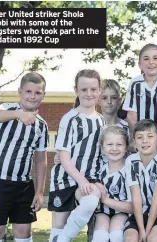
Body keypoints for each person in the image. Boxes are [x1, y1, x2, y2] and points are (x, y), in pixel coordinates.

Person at [0, 72, 48, 242]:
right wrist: (19, 114)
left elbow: (41, 160)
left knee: (24, 232)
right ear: (20, 91)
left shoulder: (42, 125)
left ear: (43, 95)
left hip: (24, 185)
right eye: (28, 91)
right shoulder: (7, 109)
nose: (32, 96)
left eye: (37, 93)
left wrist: (40, 192)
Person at [47, 70, 105, 242]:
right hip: (64, 178)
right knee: (59, 224)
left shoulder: (101, 121)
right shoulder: (69, 119)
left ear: (99, 91)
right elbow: (64, 157)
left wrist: (95, 181)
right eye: (84, 89)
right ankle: (58, 237)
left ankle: (63, 239)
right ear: (76, 91)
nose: (89, 94)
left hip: (89, 178)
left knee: (90, 201)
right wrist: (81, 180)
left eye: (93, 89)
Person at [123, 44, 157, 148]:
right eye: (146, 59)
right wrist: (133, 138)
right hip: (142, 137)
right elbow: (131, 115)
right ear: (140, 64)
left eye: (155, 58)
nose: (151, 62)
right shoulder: (135, 83)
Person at [123, 119, 157, 242]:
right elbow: (136, 196)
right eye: (139, 137)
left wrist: (147, 231)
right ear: (134, 142)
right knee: (130, 238)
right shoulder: (131, 161)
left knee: (153, 238)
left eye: (150, 136)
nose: (145, 141)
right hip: (138, 212)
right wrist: (141, 230)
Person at [92, 126, 133, 242]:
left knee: (116, 234)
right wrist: (58, 157)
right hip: (102, 212)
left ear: (126, 148)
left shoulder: (130, 171)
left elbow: (133, 207)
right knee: (100, 235)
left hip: (123, 212)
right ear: (102, 148)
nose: (114, 148)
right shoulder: (97, 168)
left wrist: (106, 200)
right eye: (110, 144)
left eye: (119, 144)